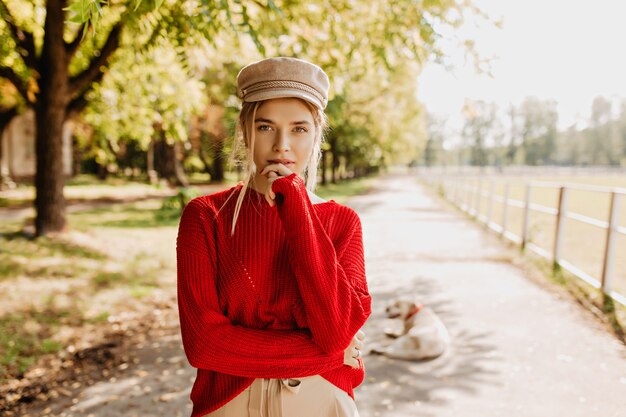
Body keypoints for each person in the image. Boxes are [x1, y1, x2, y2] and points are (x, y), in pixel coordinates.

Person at [176, 57, 372, 417]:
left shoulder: (342, 223)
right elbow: (204, 345)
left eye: (299, 129)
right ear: (245, 131)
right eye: (266, 127)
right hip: (227, 404)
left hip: (322, 402)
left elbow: (337, 329)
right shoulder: (206, 217)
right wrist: (325, 355)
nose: (282, 145)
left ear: (316, 136)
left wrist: (294, 201)